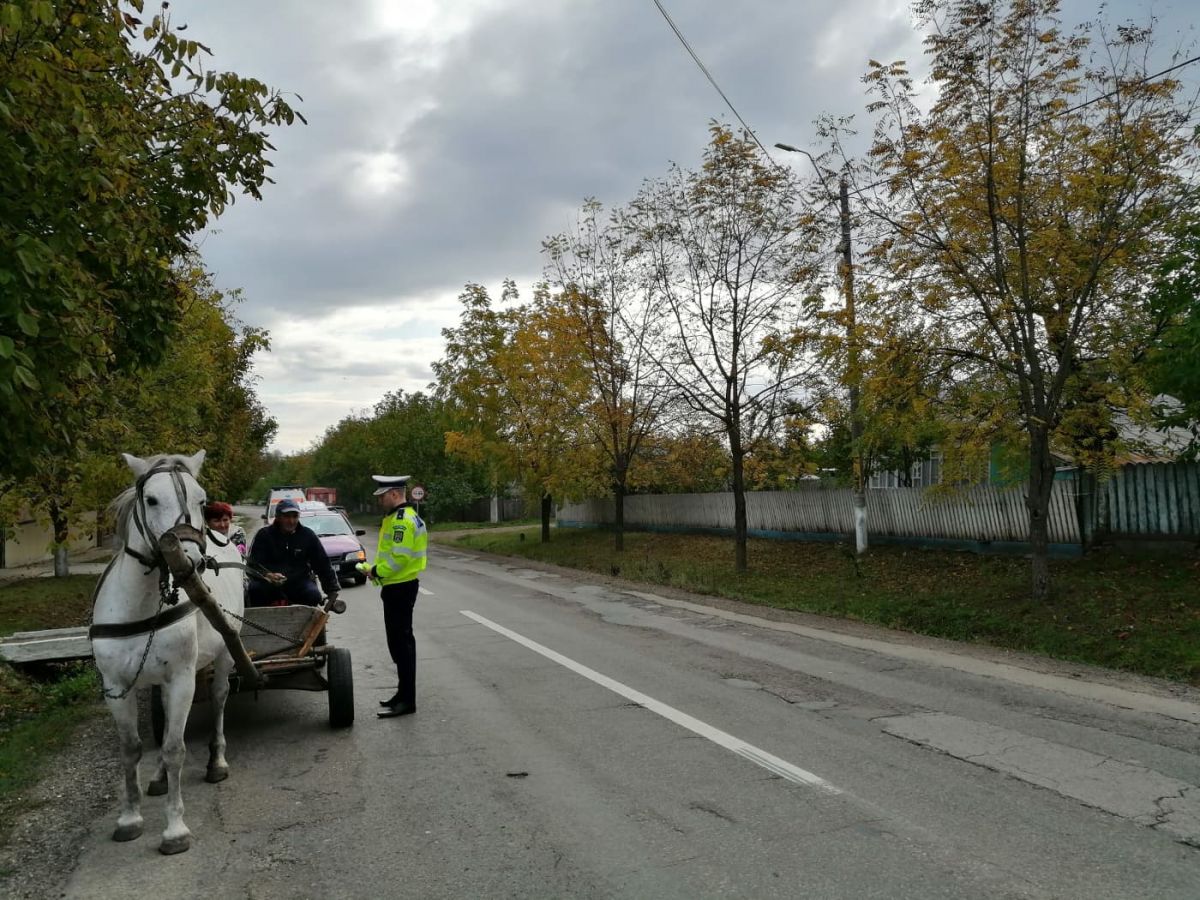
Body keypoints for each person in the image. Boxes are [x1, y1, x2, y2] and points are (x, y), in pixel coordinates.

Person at [360, 475, 427, 718]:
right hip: (397, 586)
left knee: (402, 645)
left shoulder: (402, 521)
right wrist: (378, 573)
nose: (380, 501)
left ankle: (407, 700)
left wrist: (375, 571)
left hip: (401, 587)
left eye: (383, 496)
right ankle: (402, 694)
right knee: (399, 644)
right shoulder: (400, 517)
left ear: (395, 494)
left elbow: (399, 558)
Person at [246, 498, 340, 608]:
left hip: (299, 583)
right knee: (254, 591)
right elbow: (253, 564)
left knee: (314, 595)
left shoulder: (307, 536)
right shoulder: (264, 535)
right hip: (268, 584)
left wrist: (332, 591)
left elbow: (322, 564)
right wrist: (267, 575)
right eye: (287, 516)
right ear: (278, 517)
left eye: (295, 516)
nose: (291, 521)